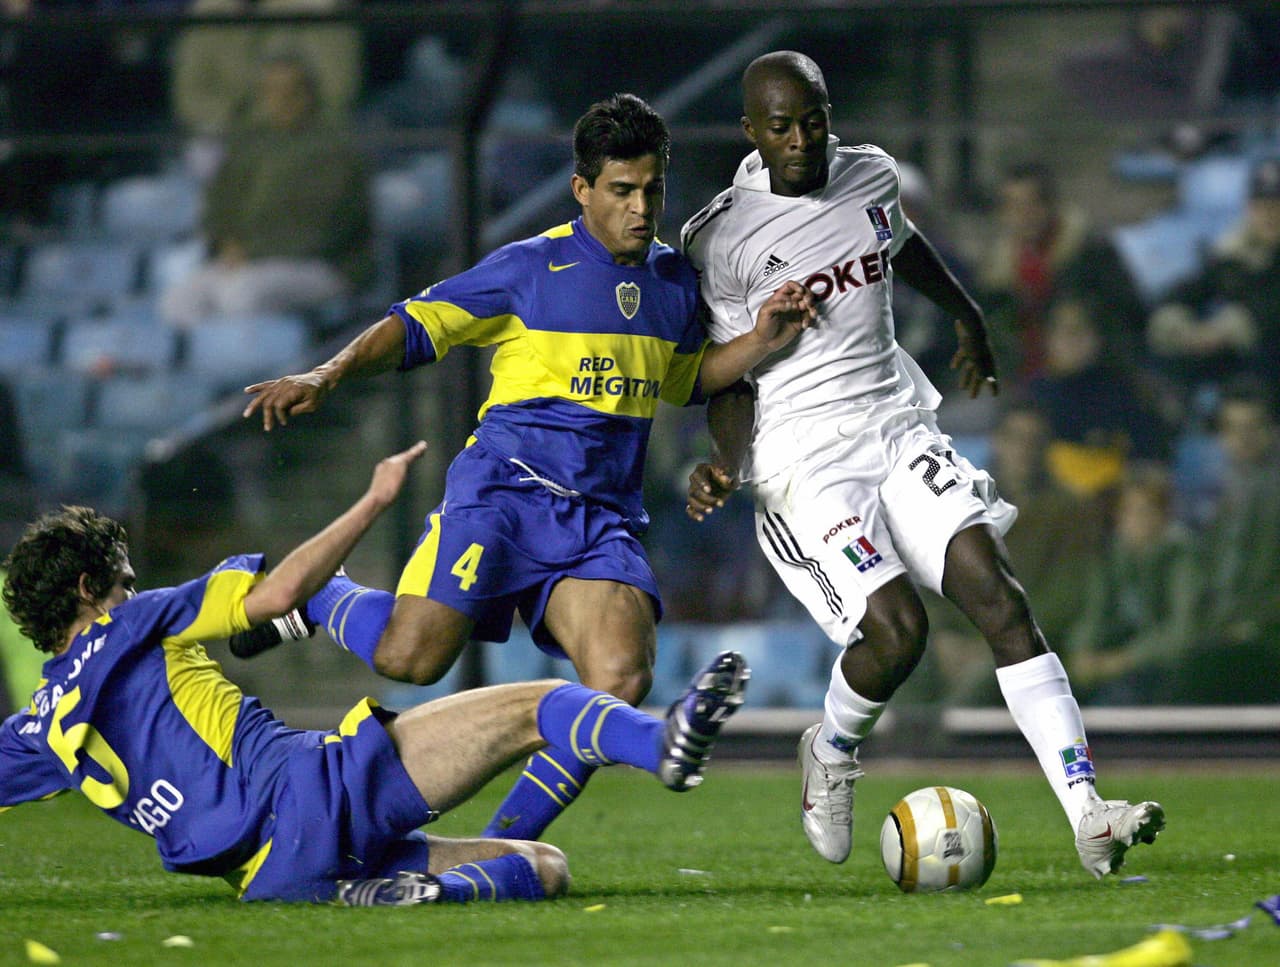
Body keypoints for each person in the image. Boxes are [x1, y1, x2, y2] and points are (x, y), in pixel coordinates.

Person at [230, 93, 814, 844]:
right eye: (622, 192)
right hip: (502, 497)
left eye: (653, 190)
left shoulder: (673, 284)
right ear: (583, 191)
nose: (642, 209)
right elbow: (416, 323)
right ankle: (318, 601)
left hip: (599, 518)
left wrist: (763, 339)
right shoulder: (530, 266)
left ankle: (503, 843)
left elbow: (686, 379)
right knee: (413, 657)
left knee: (619, 682)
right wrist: (326, 374)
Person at [681, 51, 1164, 880]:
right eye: (784, 126)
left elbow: (897, 244)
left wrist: (969, 316)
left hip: (897, 425)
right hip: (806, 458)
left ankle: (1090, 816)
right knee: (897, 632)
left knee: (998, 593)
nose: (804, 140)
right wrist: (726, 461)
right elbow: (723, 369)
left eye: (816, 119)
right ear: (752, 132)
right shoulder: (720, 236)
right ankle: (829, 751)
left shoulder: (870, 175)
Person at [0, 441, 751, 905]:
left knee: (542, 866)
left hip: (271, 878)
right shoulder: (133, 622)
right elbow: (282, 591)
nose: (134, 588)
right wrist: (372, 501)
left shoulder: (38, 727)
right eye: (123, 578)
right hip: (314, 793)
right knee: (549, 700)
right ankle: (662, 744)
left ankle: (401, 891)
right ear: (89, 591)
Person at [158, 54, 374, 329]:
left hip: (327, 265)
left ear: (308, 94)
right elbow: (220, 203)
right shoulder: (252, 140)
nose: (280, 100)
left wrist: (251, 251)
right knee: (178, 300)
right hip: (250, 261)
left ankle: (256, 367)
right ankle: (216, 364)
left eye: (290, 91)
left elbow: (322, 230)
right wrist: (224, 242)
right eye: (271, 91)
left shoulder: (334, 146)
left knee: (240, 294)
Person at [974, 160, 1145, 387]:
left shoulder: (1090, 254)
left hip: (1092, 382)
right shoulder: (997, 272)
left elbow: (1126, 315)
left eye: (1032, 204)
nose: (1024, 215)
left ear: (1050, 205)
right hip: (1020, 385)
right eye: (1014, 206)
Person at [1146, 155, 1280, 417]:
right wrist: (1181, 325)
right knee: (1163, 354)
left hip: (1267, 363)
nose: (1270, 215)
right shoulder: (1233, 254)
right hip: (1239, 362)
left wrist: (1229, 329)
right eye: (1262, 206)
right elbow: (1191, 289)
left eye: (1276, 206)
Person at [1173, 380, 1280, 703]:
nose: (1242, 438)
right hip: (1217, 631)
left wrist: (1248, 624)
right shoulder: (1219, 495)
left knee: (1188, 678)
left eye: (1252, 427)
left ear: (1272, 430)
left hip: (1263, 636)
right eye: (1233, 428)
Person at [1062, 462, 1198, 705]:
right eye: (1127, 511)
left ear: (1164, 516)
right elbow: (1094, 613)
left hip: (1159, 665)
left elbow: (1181, 632)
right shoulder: (1113, 556)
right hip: (1114, 656)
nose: (1134, 521)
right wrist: (1082, 652)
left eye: (1144, 511)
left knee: (1118, 698)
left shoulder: (1181, 557)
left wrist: (1123, 660)